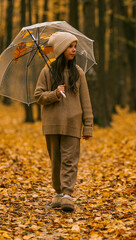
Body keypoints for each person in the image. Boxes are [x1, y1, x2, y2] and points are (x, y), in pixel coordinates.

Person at [34, 32, 93, 212]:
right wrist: (54, 94)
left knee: (70, 160)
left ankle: (67, 194)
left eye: (75, 46)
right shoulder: (47, 71)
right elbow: (38, 96)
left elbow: (86, 101)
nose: (74, 50)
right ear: (60, 49)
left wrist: (88, 125)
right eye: (70, 46)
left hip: (73, 123)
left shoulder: (79, 73)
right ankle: (58, 192)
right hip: (52, 124)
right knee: (57, 160)